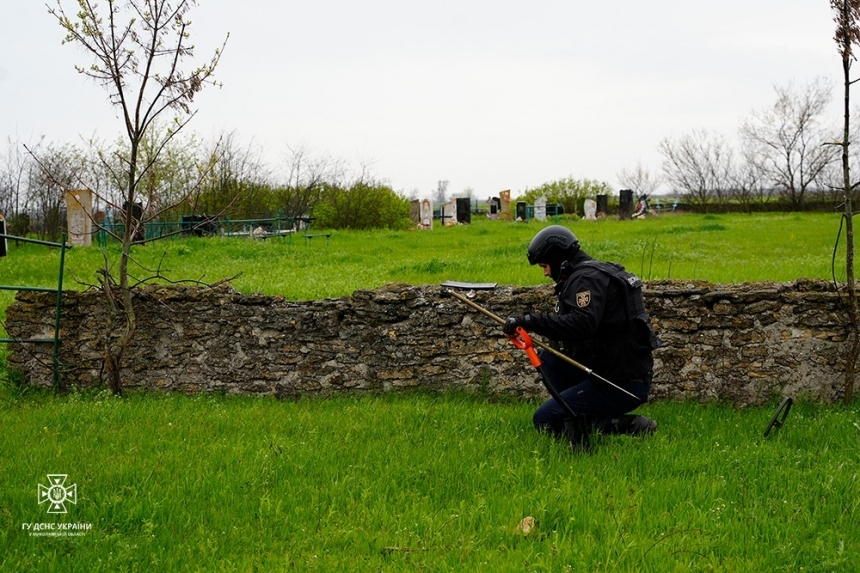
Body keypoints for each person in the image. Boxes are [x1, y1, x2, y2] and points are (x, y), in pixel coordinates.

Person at [503, 225, 660, 442]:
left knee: (545, 421)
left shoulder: (586, 279)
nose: (546, 272)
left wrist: (529, 321)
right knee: (549, 359)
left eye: (545, 265)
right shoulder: (596, 272)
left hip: (621, 383)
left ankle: (628, 424)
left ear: (557, 257)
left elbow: (583, 324)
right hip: (615, 370)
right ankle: (576, 411)